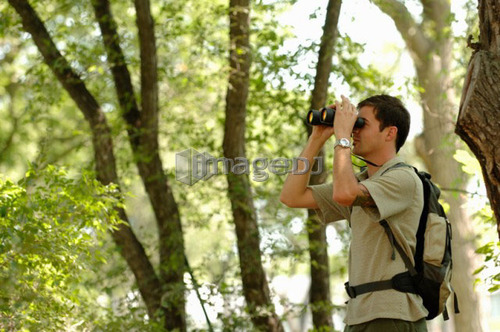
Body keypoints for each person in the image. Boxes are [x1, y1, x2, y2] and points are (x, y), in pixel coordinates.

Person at [280, 95, 428, 331]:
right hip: (359, 315)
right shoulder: (361, 182)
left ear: (390, 133)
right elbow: (291, 196)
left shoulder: (403, 179)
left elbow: (345, 194)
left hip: (391, 315)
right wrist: (316, 140)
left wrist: (341, 138)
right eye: (353, 124)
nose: (353, 131)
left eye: (361, 124)